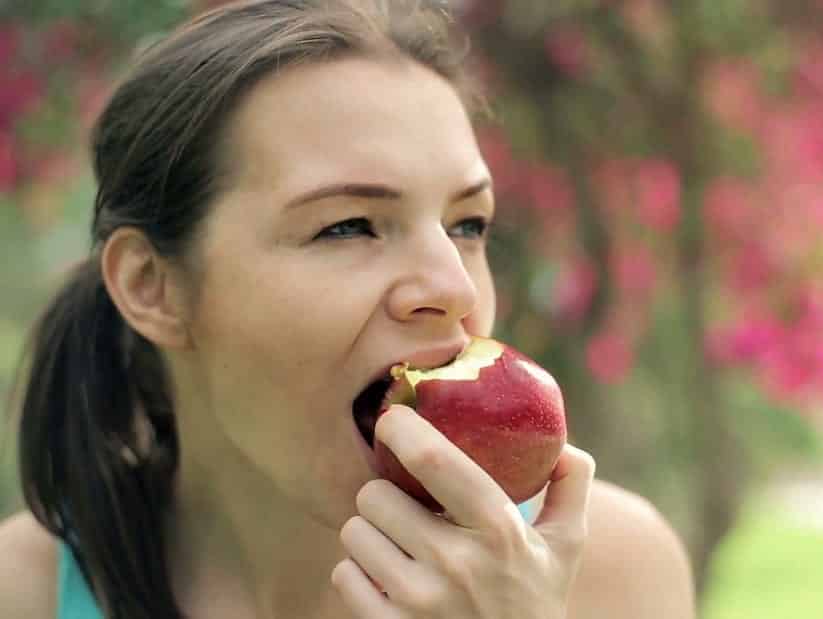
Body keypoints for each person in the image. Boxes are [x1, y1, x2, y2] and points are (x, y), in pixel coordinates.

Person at [0, 1, 695, 617]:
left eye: (468, 225)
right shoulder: (21, 590)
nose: (454, 287)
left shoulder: (612, 574)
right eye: (348, 225)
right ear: (152, 285)